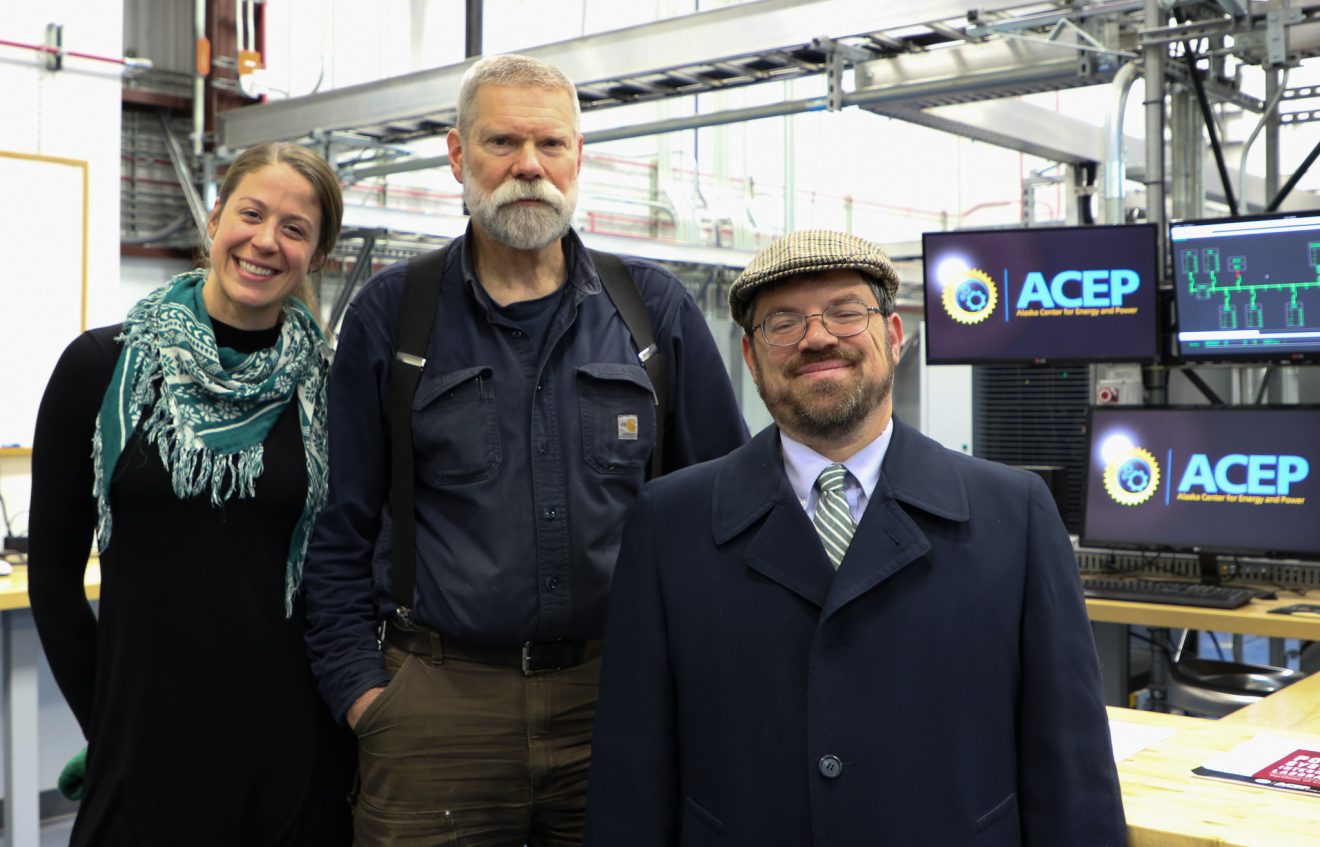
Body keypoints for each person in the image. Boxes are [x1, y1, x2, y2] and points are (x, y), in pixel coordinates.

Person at [301, 52, 748, 845]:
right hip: (436, 709)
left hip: (620, 696)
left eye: (551, 145)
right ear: (457, 154)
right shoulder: (392, 316)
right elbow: (340, 525)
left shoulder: (653, 312)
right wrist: (367, 698)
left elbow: (725, 511)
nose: (528, 167)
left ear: (580, 157)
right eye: (502, 142)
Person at [584, 230, 1127, 846]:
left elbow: (1071, 762)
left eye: (846, 311)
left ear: (893, 338)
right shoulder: (669, 522)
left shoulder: (1016, 515)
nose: (817, 337)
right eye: (782, 323)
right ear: (752, 360)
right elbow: (633, 770)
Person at [28, 142, 355, 846]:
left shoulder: (331, 393)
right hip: (142, 748)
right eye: (252, 213)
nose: (266, 241)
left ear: (317, 253)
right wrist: (107, 723)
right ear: (216, 218)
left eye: (295, 229)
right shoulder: (100, 369)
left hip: (291, 749)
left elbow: (351, 574)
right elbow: (52, 579)